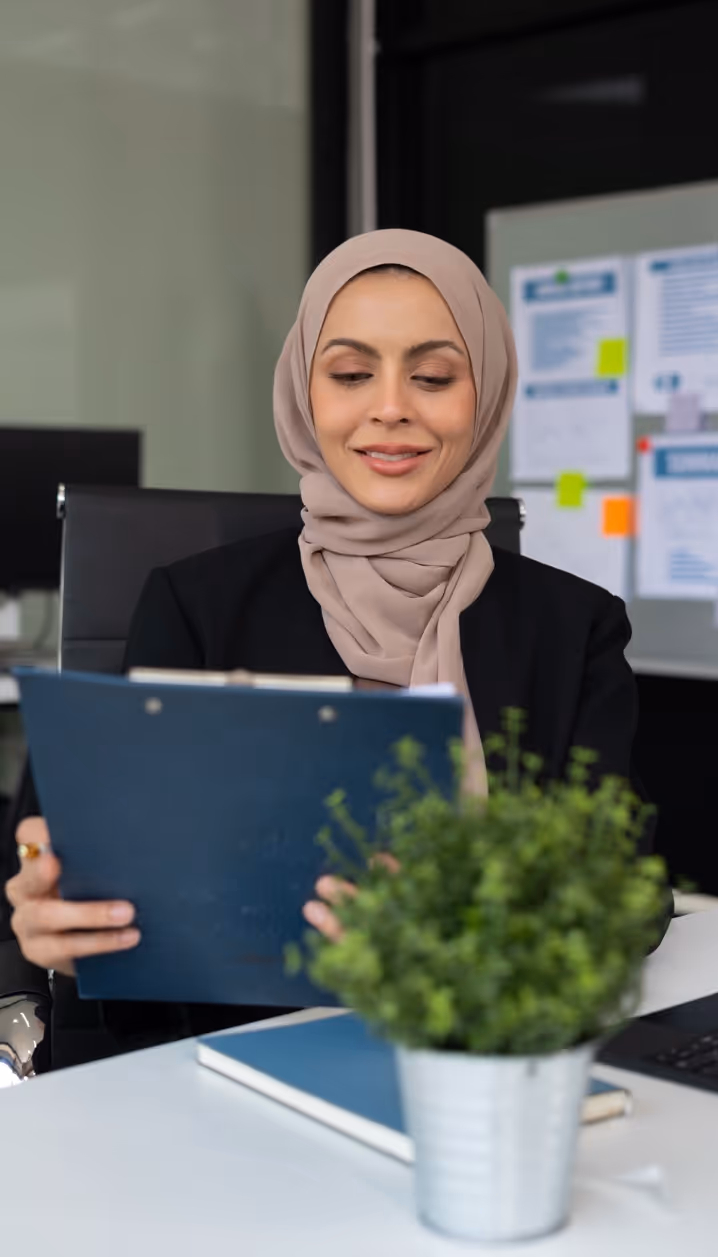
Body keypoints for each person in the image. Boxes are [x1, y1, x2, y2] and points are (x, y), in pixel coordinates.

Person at [5, 229, 660, 1070]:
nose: (390, 406)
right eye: (350, 374)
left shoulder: (572, 627)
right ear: (303, 394)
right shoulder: (196, 604)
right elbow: (108, 885)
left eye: (433, 376)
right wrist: (62, 937)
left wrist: (468, 920)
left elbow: (631, 894)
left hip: (482, 1055)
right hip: (226, 1066)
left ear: (486, 394)